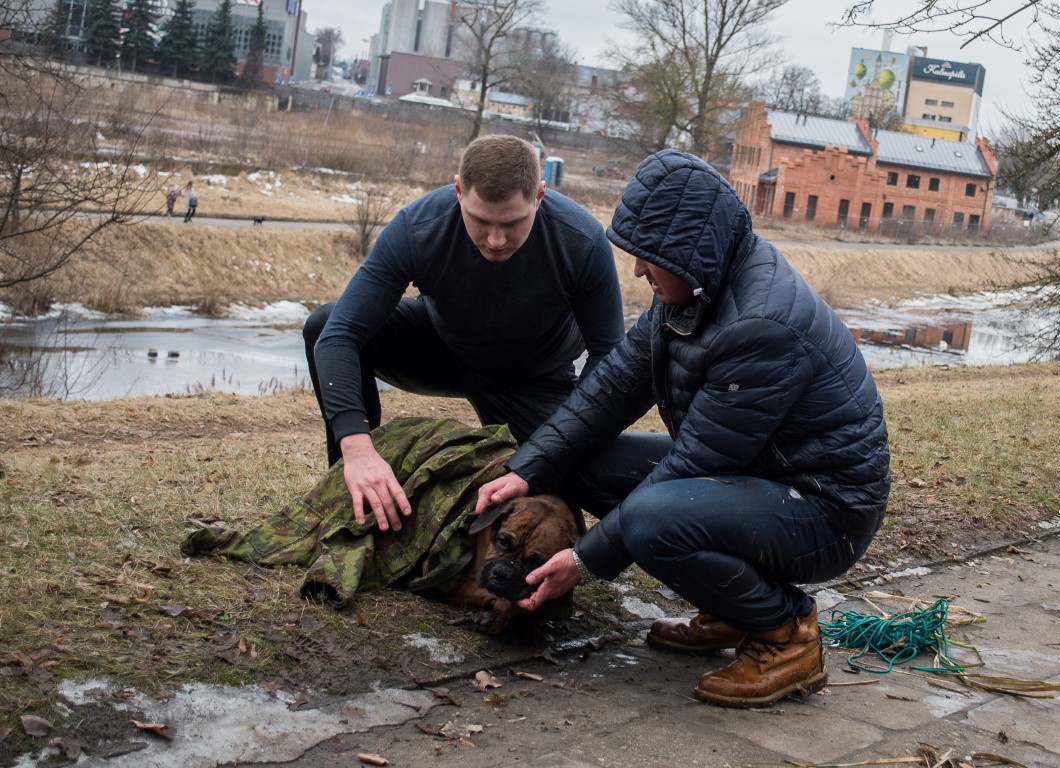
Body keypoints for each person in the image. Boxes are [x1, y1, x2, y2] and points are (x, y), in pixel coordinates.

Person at [475, 149, 891, 708]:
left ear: (688, 250)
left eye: (649, 257)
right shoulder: (693, 288)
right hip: (758, 477)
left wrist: (584, 559)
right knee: (586, 465)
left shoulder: (760, 325)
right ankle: (732, 609)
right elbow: (610, 389)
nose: (639, 270)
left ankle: (786, 635)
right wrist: (528, 466)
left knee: (652, 519)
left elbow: (694, 465)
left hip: (824, 511)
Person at [304, 134, 624, 533]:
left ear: (539, 195)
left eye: (511, 223)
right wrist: (356, 446)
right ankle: (355, 487)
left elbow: (609, 354)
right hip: (444, 350)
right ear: (458, 191)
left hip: (533, 379)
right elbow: (339, 335)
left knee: (582, 477)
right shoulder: (419, 226)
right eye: (480, 220)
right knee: (322, 324)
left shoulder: (581, 239)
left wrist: (561, 438)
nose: (495, 240)